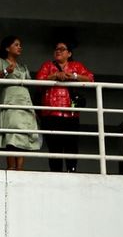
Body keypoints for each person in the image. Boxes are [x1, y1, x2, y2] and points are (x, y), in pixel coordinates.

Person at [0, 35, 41, 170]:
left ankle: (20, 168)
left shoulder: (22, 67)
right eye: (16, 44)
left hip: (25, 102)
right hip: (11, 100)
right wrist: (4, 72)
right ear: (7, 47)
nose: (20, 47)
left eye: (20, 45)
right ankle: (11, 167)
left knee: (22, 133)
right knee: (11, 133)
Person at [36, 40, 94, 172]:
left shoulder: (76, 66)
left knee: (71, 144)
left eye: (62, 49)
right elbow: (39, 81)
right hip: (51, 114)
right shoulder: (47, 66)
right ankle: (56, 172)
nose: (58, 51)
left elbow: (90, 78)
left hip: (71, 114)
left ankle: (71, 170)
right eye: (56, 49)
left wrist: (73, 76)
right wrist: (55, 75)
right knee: (54, 146)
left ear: (69, 53)